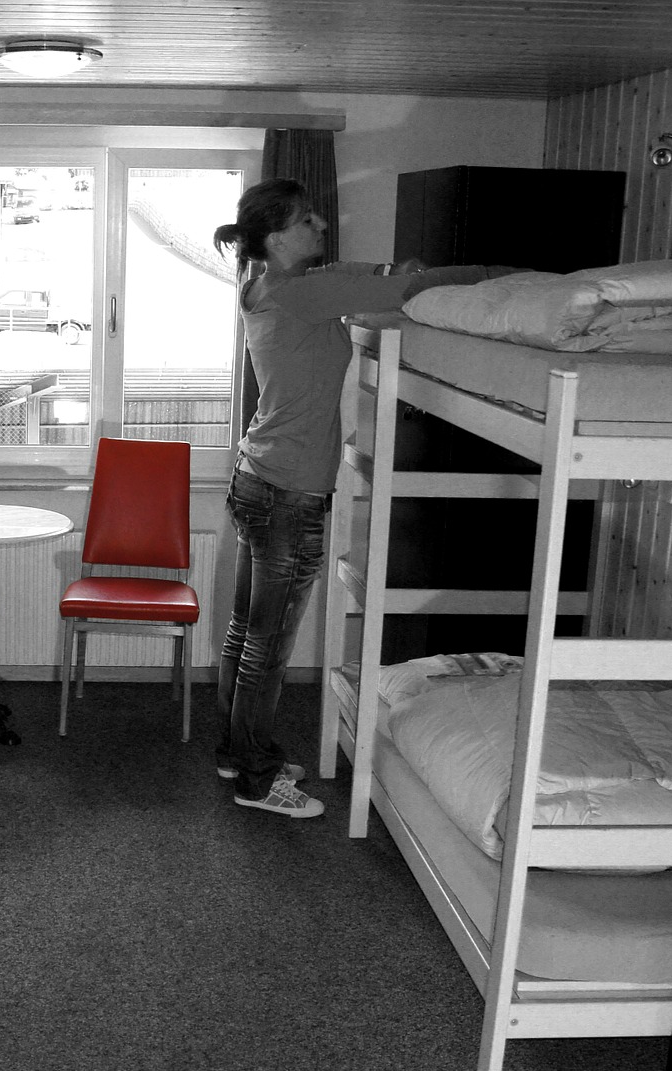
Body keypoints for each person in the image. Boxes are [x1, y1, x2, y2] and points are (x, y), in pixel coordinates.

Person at [212, 179, 515, 817]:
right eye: (306, 219)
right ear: (275, 235)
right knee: (267, 644)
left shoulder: (262, 285)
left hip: (255, 473)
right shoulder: (309, 291)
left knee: (247, 632)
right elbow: (408, 290)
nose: (321, 224)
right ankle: (258, 780)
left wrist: (381, 270)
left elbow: (359, 275)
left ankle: (237, 750)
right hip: (290, 488)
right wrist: (499, 275)